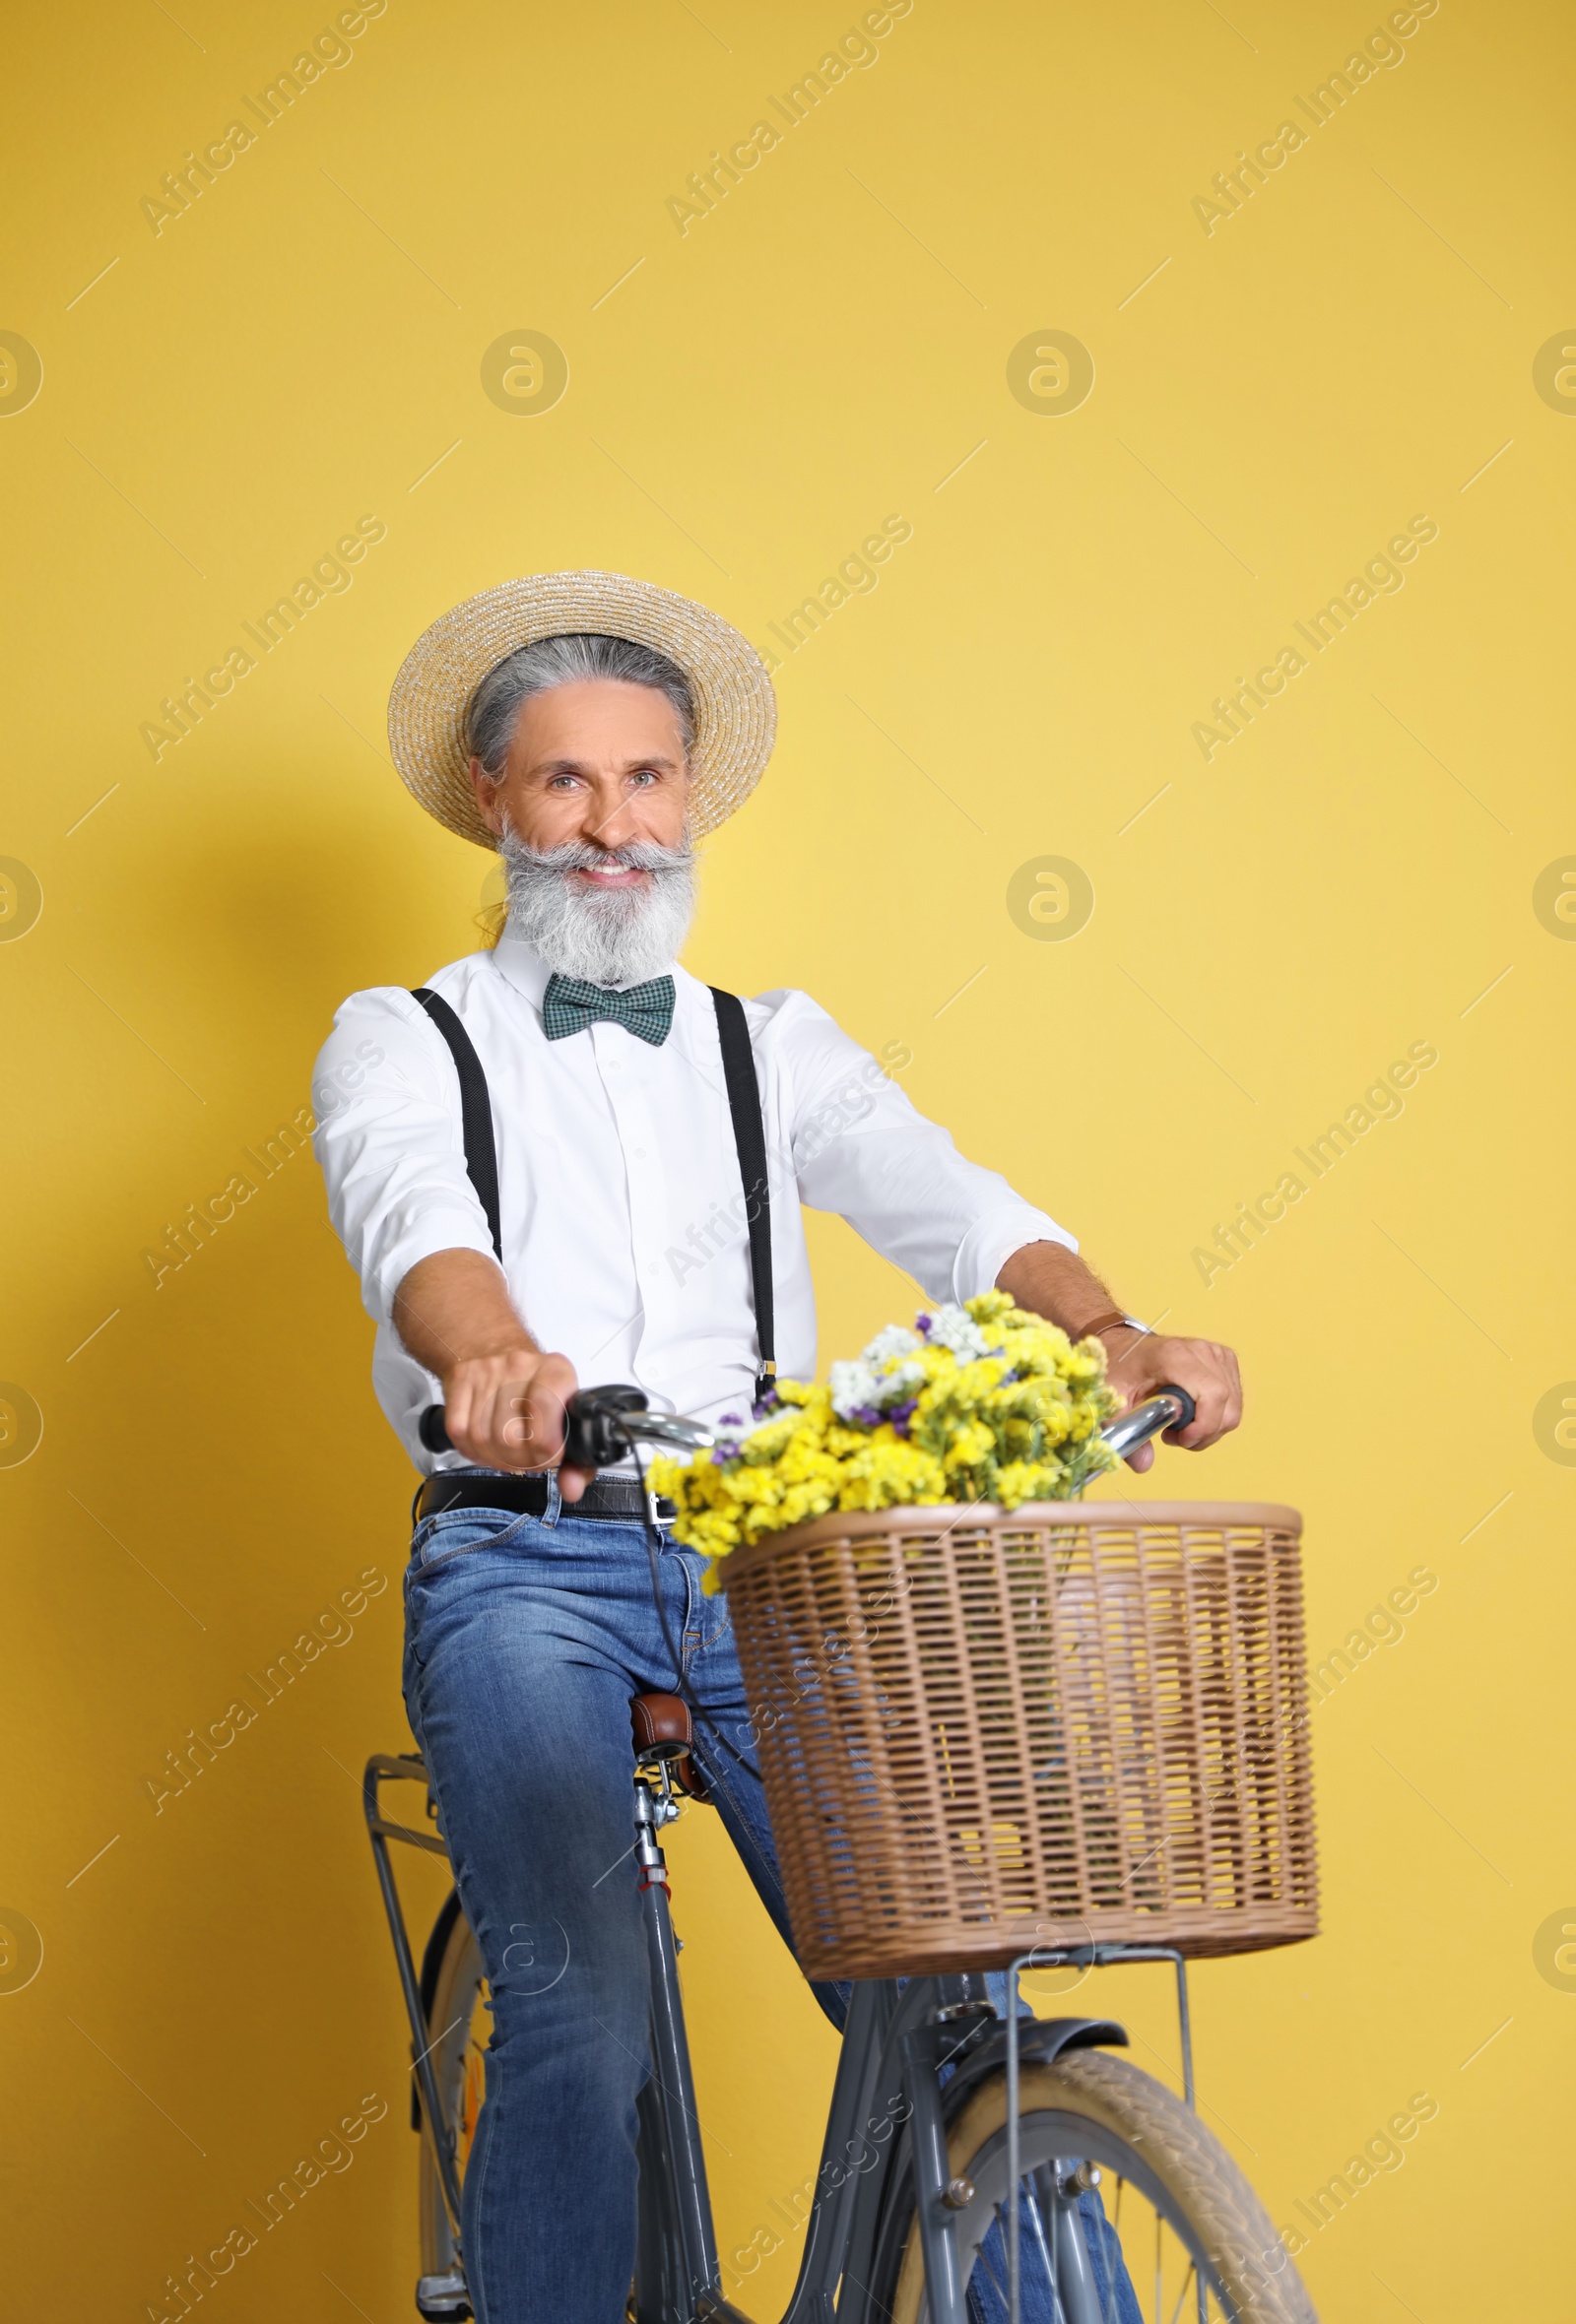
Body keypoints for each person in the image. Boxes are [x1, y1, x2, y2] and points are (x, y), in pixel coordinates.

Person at [312, 571, 1242, 2324]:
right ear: (498, 806)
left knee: (954, 1987)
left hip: (771, 1562)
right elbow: (407, 1208)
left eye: (647, 780)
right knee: (581, 2007)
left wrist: (1108, 1328)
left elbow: (948, 1199)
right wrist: (493, 1351)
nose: (612, 825)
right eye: (567, 783)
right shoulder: (407, 1034)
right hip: (532, 1550)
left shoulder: (768, 1044)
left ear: (692, 803)